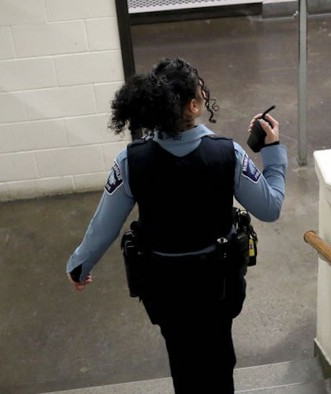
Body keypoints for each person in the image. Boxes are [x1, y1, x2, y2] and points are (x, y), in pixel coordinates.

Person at [65, 57, 287, 393]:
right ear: (195, 106)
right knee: (219, 359)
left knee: (182, 361)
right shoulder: (228, 154)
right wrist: (272, 153)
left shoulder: (131, 161)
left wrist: (80, 265)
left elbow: (103, 226)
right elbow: (270, 208)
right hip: (218, 285)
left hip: (164, 289)